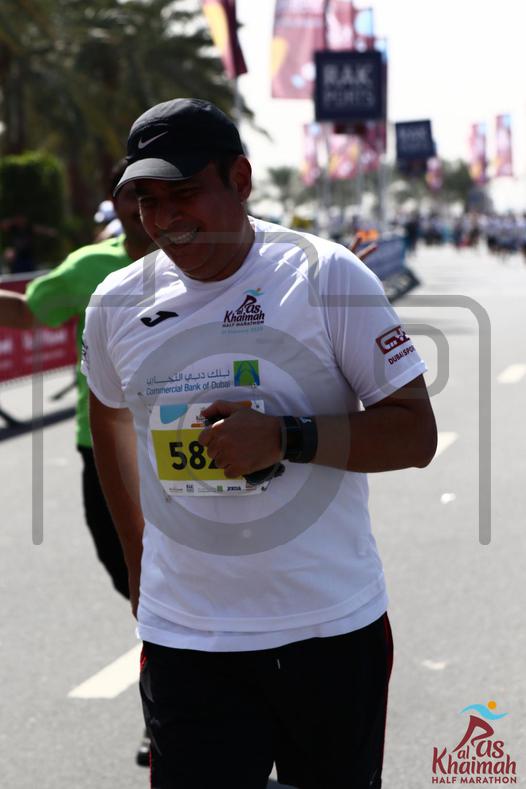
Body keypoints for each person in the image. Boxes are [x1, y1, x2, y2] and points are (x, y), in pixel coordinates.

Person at [82, 98, 437, 789]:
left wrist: (285, 436)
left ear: (240, 179)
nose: (165, 219)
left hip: (328, 628)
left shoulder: (325, 275)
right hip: (187, 637)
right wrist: (137, 562)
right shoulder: (115, 303)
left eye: (184, 193)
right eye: (148, 201)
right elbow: (111, 420)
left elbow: (414, 431)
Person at [0, 160, 153, 765]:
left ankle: (169, 713)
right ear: (115, 203)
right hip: (104, 450)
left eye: (157, 192)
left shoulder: (205, 260)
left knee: (173, 584)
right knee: (131, 579)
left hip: (186, 451)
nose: (144, 207)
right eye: (132, 195)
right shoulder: (90, 267)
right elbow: (30, 311)